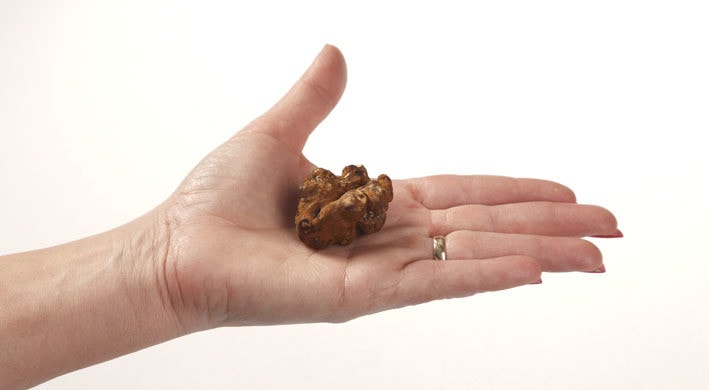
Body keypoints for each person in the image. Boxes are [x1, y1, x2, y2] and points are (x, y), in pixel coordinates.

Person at [0, 45, 620, 389]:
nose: (359, 196)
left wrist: (168, 270)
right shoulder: (327, 207)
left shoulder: (346, 201)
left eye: (360, 198)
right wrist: (166, 265)